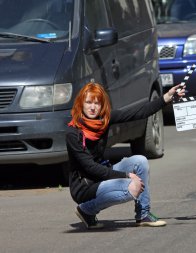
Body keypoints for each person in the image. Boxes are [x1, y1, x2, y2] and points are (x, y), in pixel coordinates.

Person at [66, 82, 185, 229]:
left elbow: (137, 113)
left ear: (102, 105)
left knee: (140, 161)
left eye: (97, 103)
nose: (92, 107)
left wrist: (166, 98)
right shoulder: (73, 133)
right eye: (88, 102)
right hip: (85, 186)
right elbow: (90, 168)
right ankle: (86, 209)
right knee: (131, 187)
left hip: (102, 176)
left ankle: (143, 215)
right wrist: (126, 175)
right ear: (81, 103)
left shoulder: (104, 119)